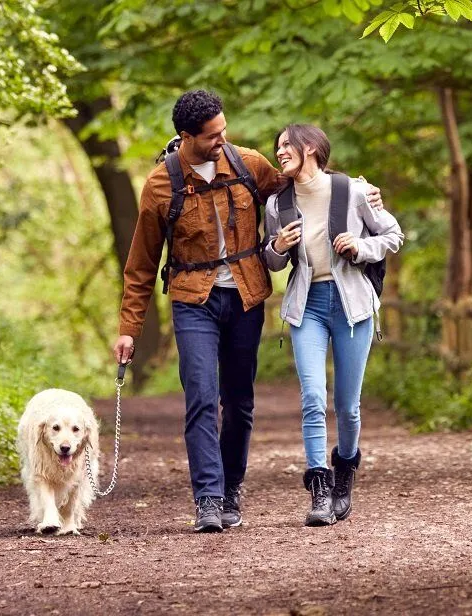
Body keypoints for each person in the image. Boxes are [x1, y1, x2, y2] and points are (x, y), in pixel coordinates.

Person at [112, 90, 382, 533]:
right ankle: (209, 499)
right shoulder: (161, 185)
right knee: (200, 396)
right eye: (214, 135)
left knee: (238, 401)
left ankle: (232, 487)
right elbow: (140, 264)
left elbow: (304, 184)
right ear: (186, 136)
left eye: (224, 129)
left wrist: (358, 191)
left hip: (244, 295)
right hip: (191, 299)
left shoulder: (246, 163)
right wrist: (129, 329)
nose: (224, 139)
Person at [262, 124, 403, 527]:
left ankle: (344, 473)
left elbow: (393, 235)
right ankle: (319, 489)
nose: (280, 151)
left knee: (347, 406)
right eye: (278, 146)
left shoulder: (353, 191)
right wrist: (277, 247)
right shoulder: (278, 204)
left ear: (310, 147)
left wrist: (361, 247)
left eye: (287, 144)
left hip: (352, 305)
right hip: (307, 306)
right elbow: (271, 261)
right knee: (312, 397)